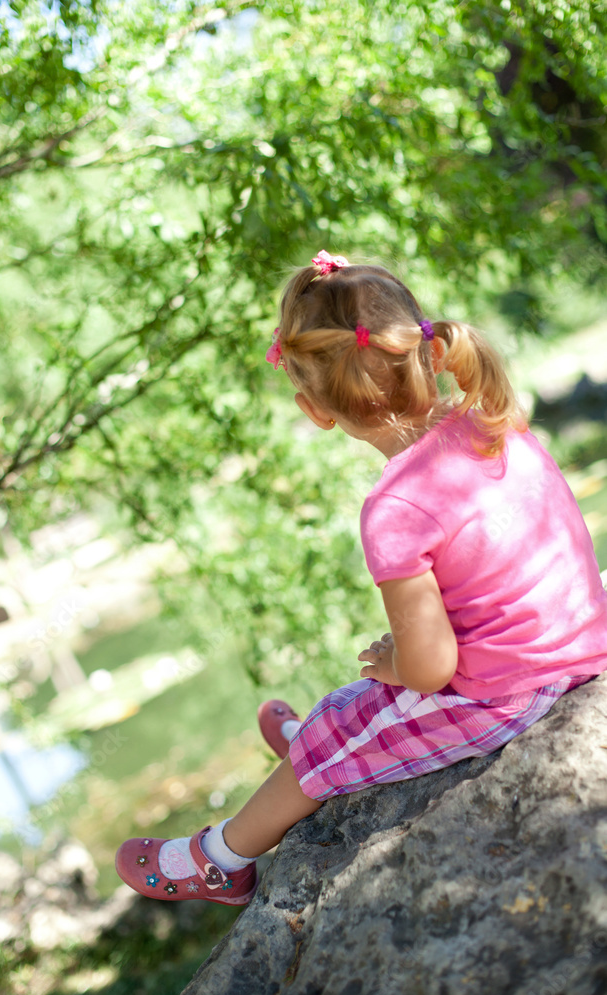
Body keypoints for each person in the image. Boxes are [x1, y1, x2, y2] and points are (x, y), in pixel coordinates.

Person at [115, 250, 607, 906]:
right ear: (429, 353)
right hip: (578, 636)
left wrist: (398, 662)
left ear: (315, 411)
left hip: (512, 689)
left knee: (337, 732)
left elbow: (431, 672)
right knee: (357, 704)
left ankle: (215, 859)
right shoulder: (491, 418)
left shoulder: (395, 508)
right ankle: (321, 737)